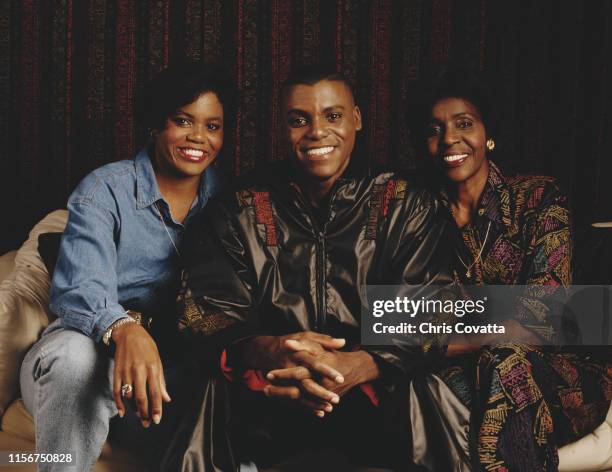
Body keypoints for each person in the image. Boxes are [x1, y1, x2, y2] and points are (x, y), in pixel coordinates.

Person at [171, 65, 460, 471]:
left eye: (333, 116)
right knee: (209, 388)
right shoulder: (239, 207)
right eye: (299, 119)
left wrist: (359, 365)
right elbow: (203, 313)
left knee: (431, 386)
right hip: (270, 401)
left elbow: (430, 306)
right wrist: (269, 350)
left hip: (378, 401)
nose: (317, 131)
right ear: (282, 126)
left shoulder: (404, 202)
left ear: (356, 119)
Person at [19, 61, 234, 471]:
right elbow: (79, 287)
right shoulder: (105, 190)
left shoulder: (228, 198)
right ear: (155, 125)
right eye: (182, 121)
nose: (198, 138)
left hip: (161, 381)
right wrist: (124, 328)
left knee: (219, 388)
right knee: (74, 356)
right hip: (80, 364)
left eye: (213, 126)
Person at [408, 68, 612, 471]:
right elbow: (407, 322)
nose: (450, 138)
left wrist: (458, 328)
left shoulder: (537, 198)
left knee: (506, 359)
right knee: (428, 386)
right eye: (435, 130)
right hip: (462, 380)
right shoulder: (416, 217)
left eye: (464, 124)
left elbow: (547, 317)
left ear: (488, 134)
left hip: (557, 380)